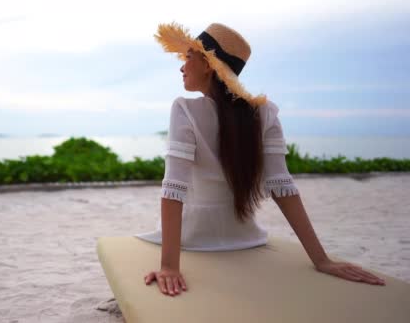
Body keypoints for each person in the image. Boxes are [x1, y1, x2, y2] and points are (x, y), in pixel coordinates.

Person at [134, 22, 386, 297]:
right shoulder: (264, 113)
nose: (182, 66)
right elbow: (283, 187)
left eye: (189, 57)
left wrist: (169, 266)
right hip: (246, 238)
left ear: (207, 64)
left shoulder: (184, 109)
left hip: (193, 240)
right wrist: (321, 260)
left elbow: (174, 187)